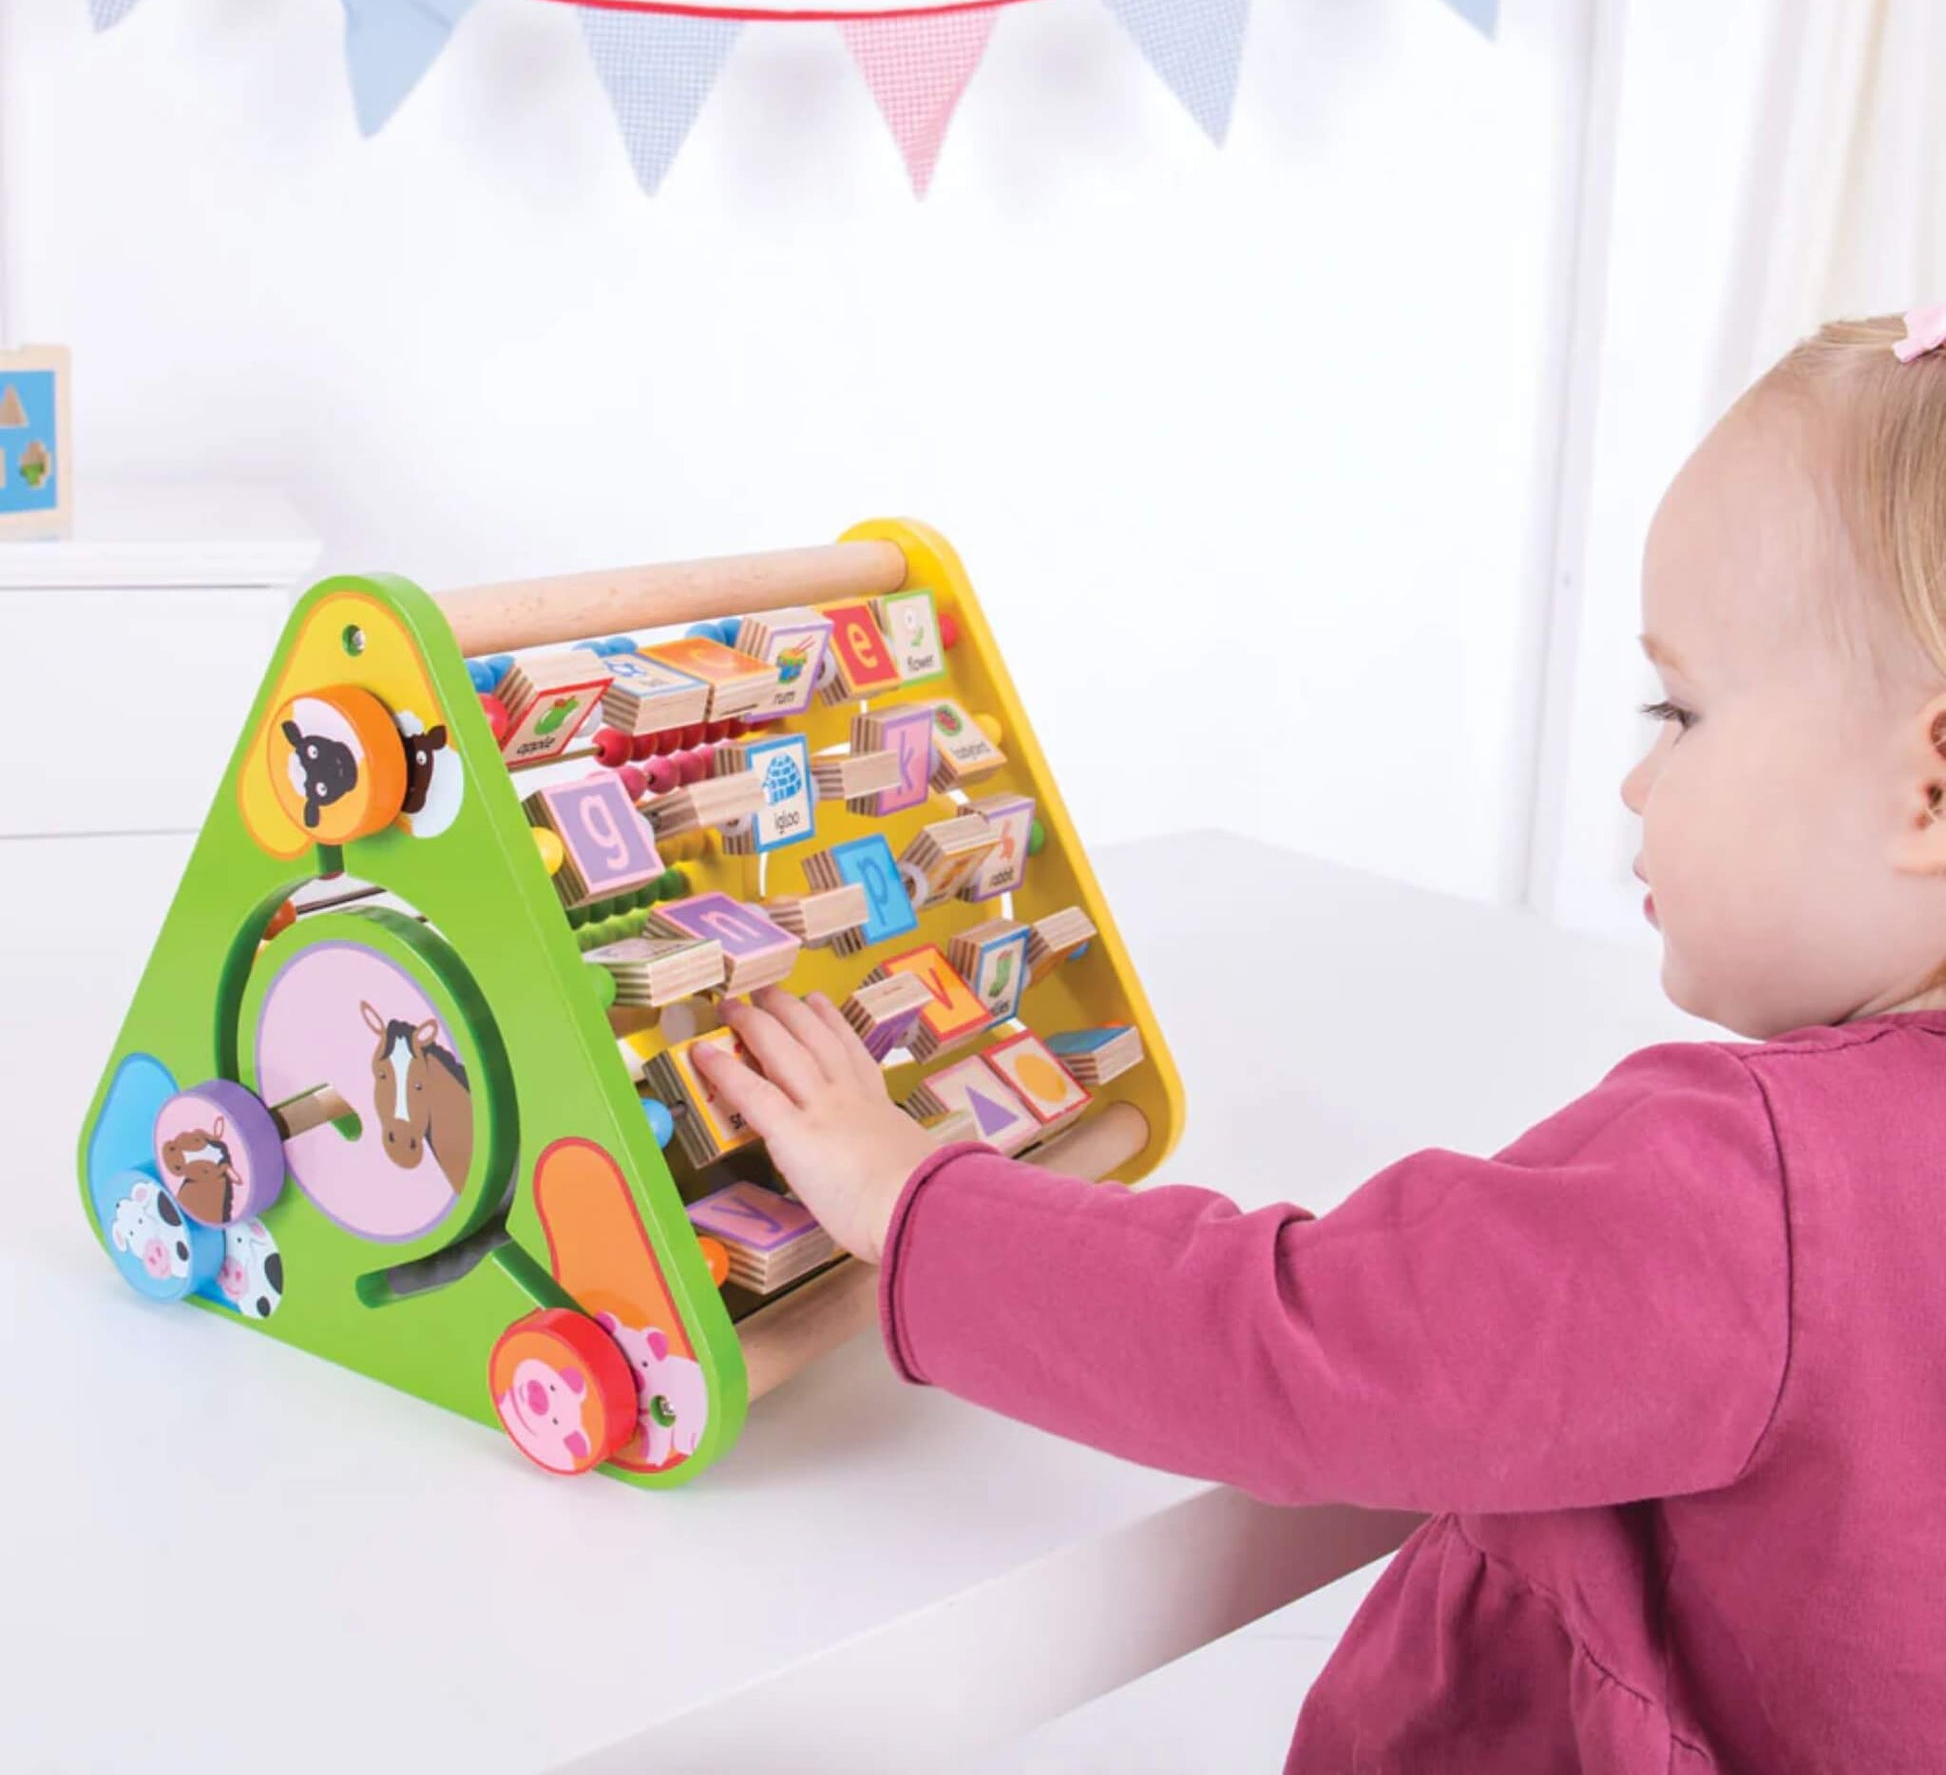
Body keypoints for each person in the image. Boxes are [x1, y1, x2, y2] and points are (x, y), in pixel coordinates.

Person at [694, 310, 1946, 1770]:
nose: (1630, 777)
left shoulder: (1753, 1186)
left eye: (1678, 708)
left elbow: (1295, 1340)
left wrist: (913, 1201)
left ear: (1928, 788)